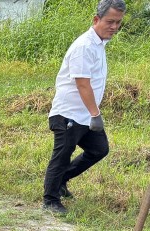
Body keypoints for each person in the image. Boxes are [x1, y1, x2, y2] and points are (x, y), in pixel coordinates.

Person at [42, 0, 125, 215]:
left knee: (99, 149)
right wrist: (95, 114)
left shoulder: (99, 44)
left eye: (118, 23)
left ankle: (61, 180)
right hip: (68, 114)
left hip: (85, 114)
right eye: (110, 22)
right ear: (96, 20)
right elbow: (82, 83)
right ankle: (50, 199)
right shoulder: (84, 46)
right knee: (61, 155)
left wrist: (92, 114)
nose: (114, 27)